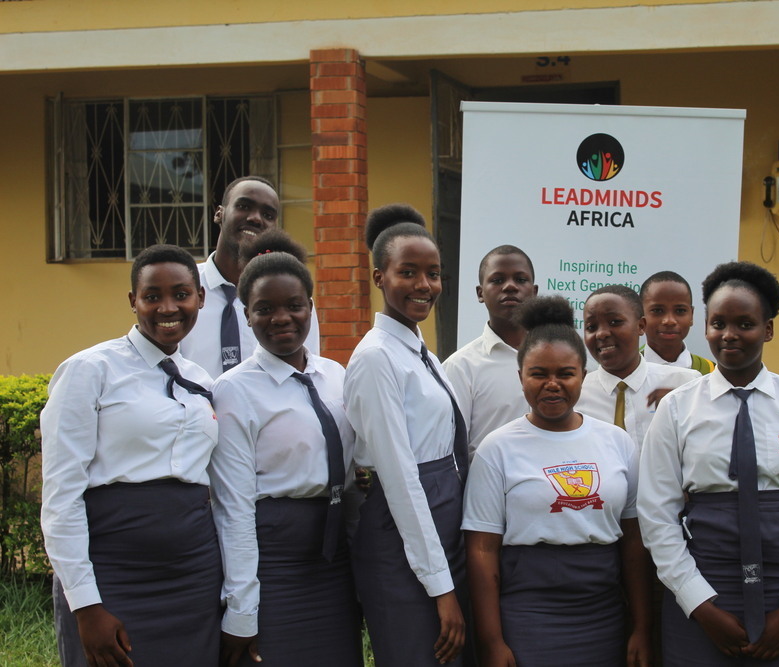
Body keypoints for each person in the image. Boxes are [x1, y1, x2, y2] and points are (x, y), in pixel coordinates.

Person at [638, 261, 779, 666]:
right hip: (703, 587)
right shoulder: (677, 409)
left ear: (768, 329)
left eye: (745, 323)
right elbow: (657, 515)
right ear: (706, 329)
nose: (729, 334)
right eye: (718, 323)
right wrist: (699, 604)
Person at [41, 244, 222, 667]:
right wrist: (85, 605)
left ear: (200, 298)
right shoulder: (90, 370)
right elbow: (61, 495)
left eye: (181, 294)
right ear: (132, 301)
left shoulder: (202, 381)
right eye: (152, 296)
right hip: (114, 571)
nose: (167, 307)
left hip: (193, 575)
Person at [464, 295, 651, 667]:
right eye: (538, 374)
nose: (552, 384)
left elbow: (633, 543)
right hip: (528, 614)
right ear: (520, 377)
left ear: (583, 374)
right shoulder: (496, 449)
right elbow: (482, 552)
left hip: (604, 613)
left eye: (565, 373)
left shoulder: (616, 442)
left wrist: (642, 627)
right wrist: (492, 641)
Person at [208, 231, 362, 666]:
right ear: (246, 314)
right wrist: (241, 608)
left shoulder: (335, 374)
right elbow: (233, 506)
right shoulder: (234, 391)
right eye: (265, 309)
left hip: (334, 558)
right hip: (274, 560)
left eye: (294, 305)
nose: (282, 318)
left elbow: (354, 463)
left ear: (311, 307)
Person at [344, 203, 471, 666]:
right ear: (380, 278)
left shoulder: (420, 352)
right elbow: (399, 478)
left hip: (440, 527)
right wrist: (440, 587)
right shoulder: (378, 358)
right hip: (403, 540)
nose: (424, 285)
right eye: (409, 272)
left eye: (433, 274)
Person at [180, 176, 320, 378]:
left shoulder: (293, 302)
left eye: (268, 214)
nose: (256, 218)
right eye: (244, 206)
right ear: (220, 213)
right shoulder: (184, 289)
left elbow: (306, 372)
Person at [577, 284, 699, 449]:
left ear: (641, 326)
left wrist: (678, 408)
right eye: (591, 327)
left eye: (615, 322)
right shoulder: (577, 394)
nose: (602, 333)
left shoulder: (685, 384)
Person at [444, 245, 538, 457]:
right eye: (497, 280)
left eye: (521, 279)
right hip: (486, 487)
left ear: (534, 292)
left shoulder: (558, 358)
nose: (510, 287)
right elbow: (452, 448)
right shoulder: (460, 367)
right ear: (480, 293)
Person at [639, 271, 715, 374]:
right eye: (657, 310)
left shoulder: (711, 372)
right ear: (640, 315)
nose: (669, 321)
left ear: (691, 315)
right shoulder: (626, 371)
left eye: (680, 311)